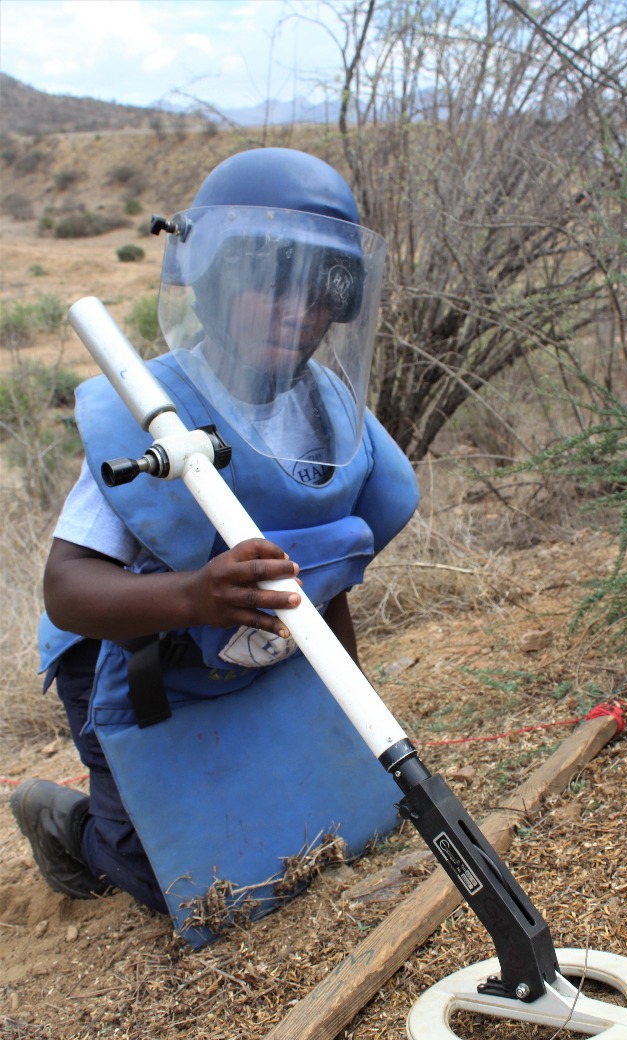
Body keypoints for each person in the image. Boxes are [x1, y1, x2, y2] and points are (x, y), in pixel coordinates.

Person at [12, 148, 419, 943]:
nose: (294, 313)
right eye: (270, 280)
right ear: (212, 279)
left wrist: (350, 721)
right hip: (127, 650)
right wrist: (194, 595)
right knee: (180, 886)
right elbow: (68, 586)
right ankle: (73, 829)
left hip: (239, 638)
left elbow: (324, 581)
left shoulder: (327, 415)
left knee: (322, 827)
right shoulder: (155, 413)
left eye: (321, 292)